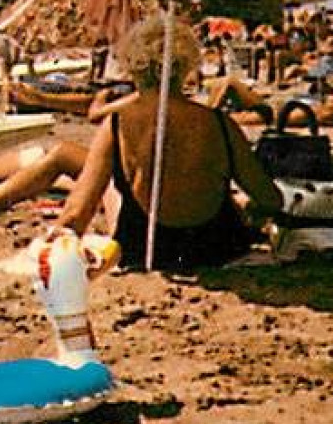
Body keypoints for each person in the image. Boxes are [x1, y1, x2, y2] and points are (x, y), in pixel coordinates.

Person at [51, 14, 281, 274]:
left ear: (132, 66)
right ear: (185, 67)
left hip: (145, 249)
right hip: (218, 248)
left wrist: (58, 244)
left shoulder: (117, 124)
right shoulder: (219, 123)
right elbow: (270, 198)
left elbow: (78, 211)